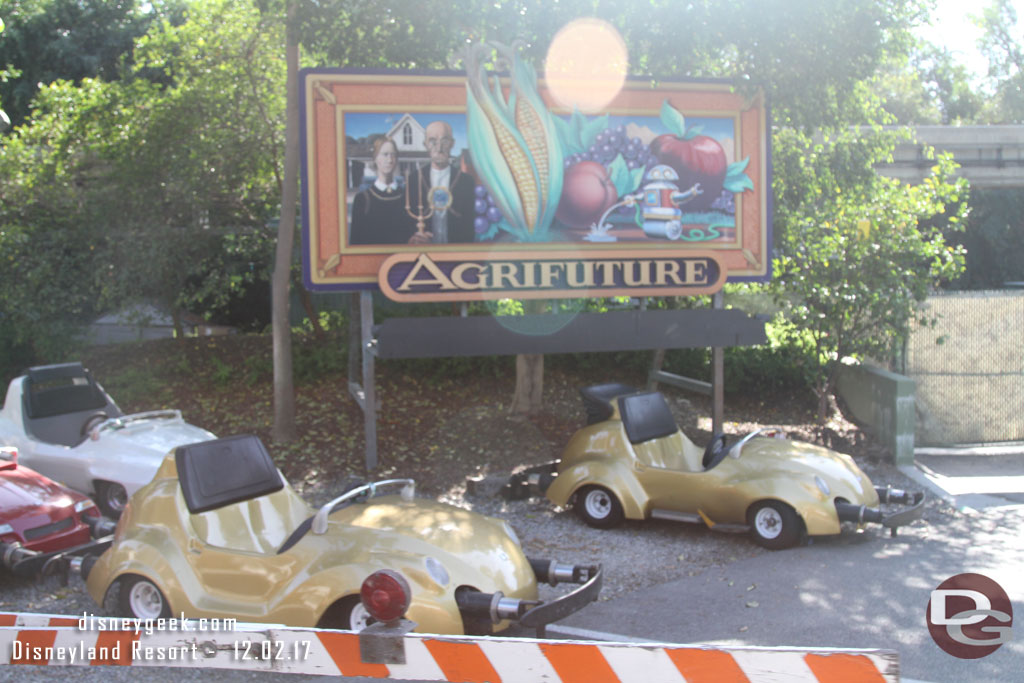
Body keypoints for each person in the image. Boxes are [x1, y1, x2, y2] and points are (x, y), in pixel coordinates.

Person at [405, 120, 476, 244]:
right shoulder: (414, 179)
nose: (439, 147)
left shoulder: (466, 182)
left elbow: (470, 226)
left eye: (445, 140)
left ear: (452, 143)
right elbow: (406, 223)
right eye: (433, 141)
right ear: (425, 144)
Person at [349, 137, 416, 245]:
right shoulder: (362, 200)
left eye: (393, 155)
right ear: (375, 158)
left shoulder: (407, 197)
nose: (389, 160)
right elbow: (355, 242)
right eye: (385, 154)